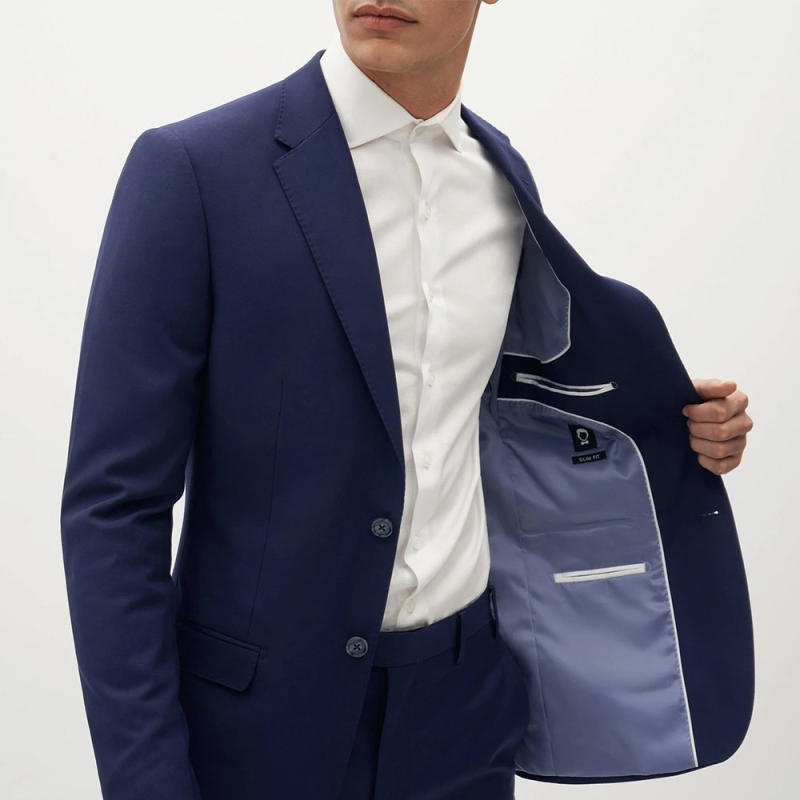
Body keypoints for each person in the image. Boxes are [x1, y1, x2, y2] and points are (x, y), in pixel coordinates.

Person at [60, 2, 755, 799]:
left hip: (463, 720)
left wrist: (679, 429)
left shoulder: (500, 180)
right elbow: (113, 506)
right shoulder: (194, 171)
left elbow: (502, 417)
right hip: (259, 732)